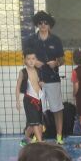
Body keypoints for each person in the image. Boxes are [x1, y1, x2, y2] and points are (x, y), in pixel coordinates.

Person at [24, 11, 66, 145]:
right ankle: (37, 136)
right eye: (40, 23)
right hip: (35, 81)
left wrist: (56, 63)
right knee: (36, 110)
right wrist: (34, 62)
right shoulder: (30, 40)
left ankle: (59, 136)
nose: (43, 25)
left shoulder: (56, 40)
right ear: (37, 24)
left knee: (57, 109)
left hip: (53, 79)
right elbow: (25, 58)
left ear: (49, 25)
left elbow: (62, 59)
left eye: (46, 23)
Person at [16, 49, 45, 145]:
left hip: (38, 99)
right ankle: (40, 143)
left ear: (36, 60)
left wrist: (41, 83)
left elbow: (39, 83)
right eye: (29, 59)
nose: (31, 61)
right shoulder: (23, 72)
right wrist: (17, 101)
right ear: (25, 60)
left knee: (36, 123)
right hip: (29, 100)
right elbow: (18, 87)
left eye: (33, 58)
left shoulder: (38, 71)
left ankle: (25, 139)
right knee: (35, 123)